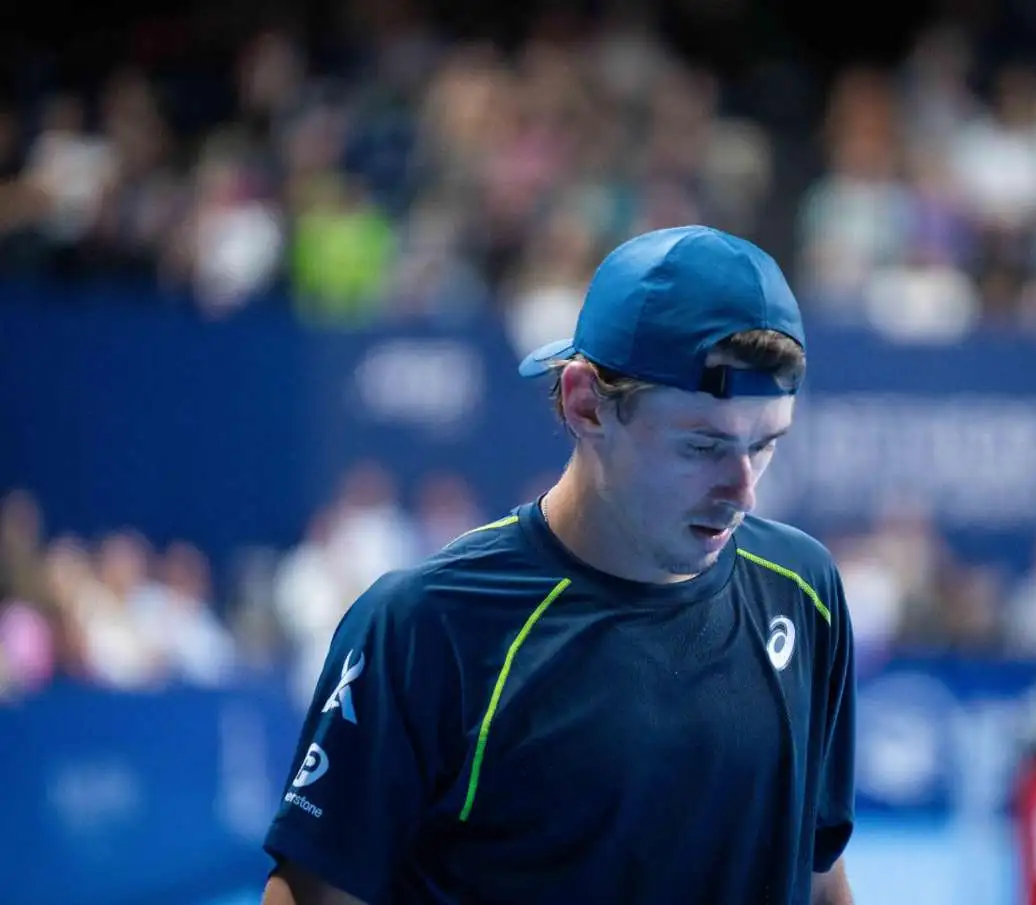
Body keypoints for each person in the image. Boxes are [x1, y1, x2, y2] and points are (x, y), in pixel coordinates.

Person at [260, 225, 858, 905]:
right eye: (701, 447)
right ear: (584, 404)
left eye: (766, 444)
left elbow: (814, 873)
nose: (743, 490)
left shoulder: (804, 591)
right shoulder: (425, 627)